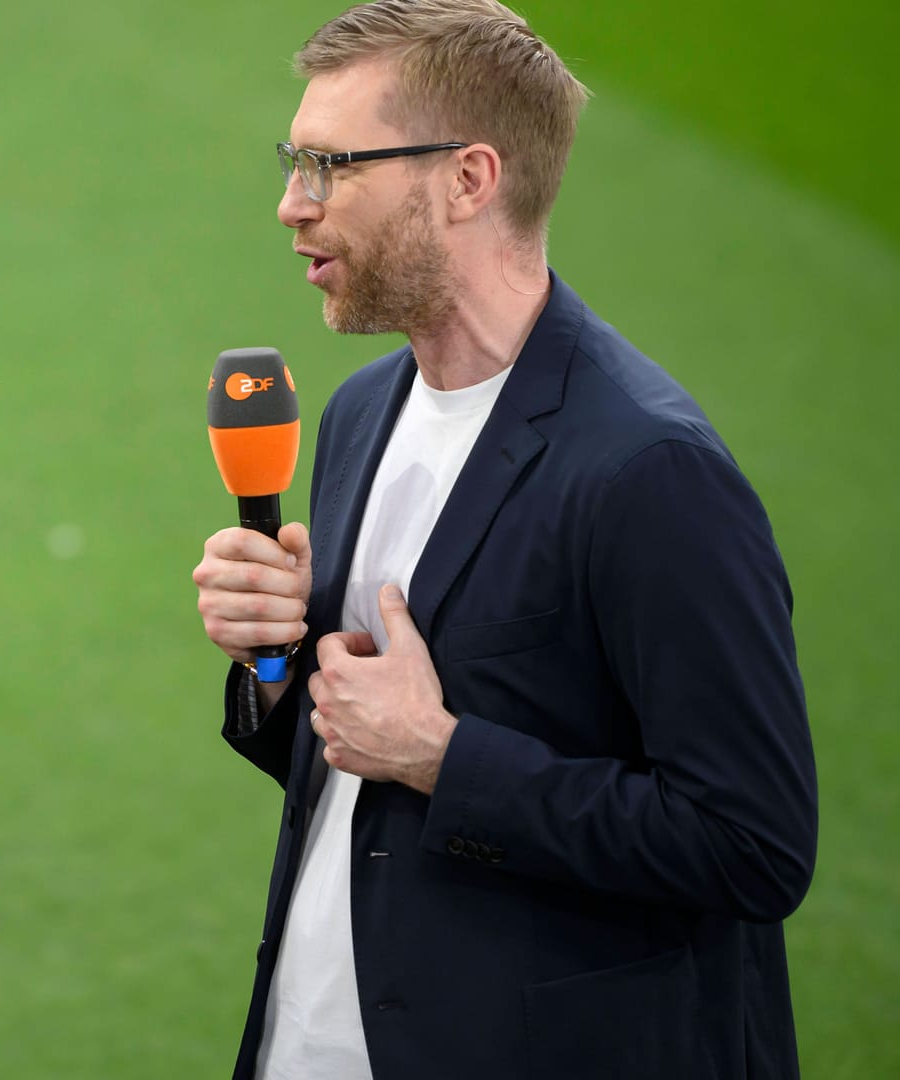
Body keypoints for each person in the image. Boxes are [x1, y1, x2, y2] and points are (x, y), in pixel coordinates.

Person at [190, 3, 817, 1077]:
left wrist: (444, 756)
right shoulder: (359, 415)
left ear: (469, 181)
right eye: (295, 161)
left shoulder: (647, 472)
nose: (292, 205)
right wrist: (274, 659)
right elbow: (346, 763)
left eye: (331, 165)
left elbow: (752, 847)